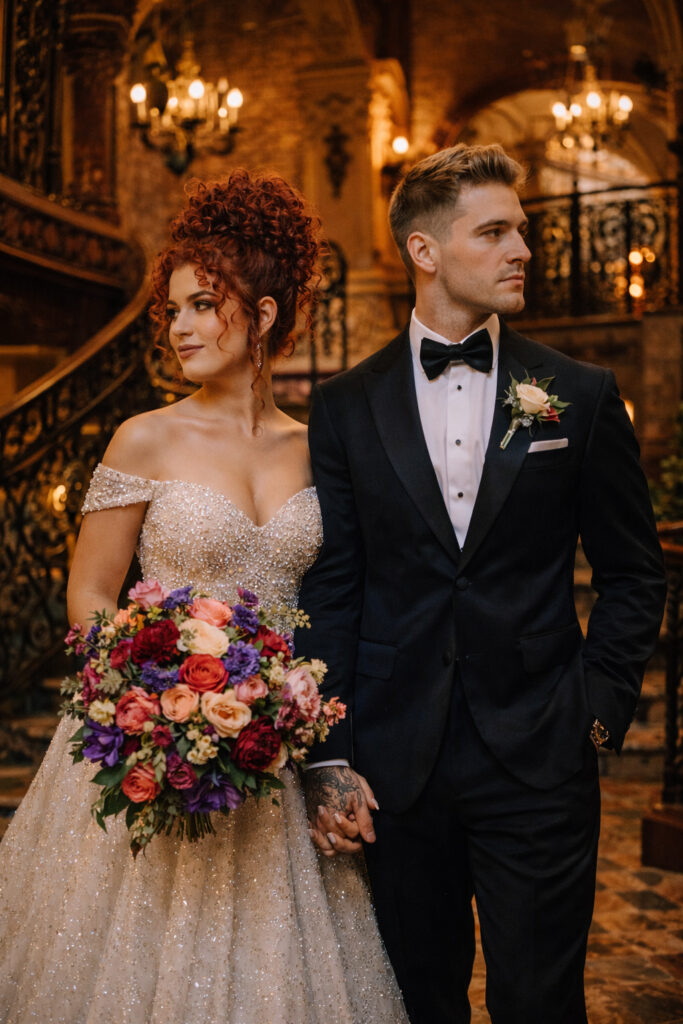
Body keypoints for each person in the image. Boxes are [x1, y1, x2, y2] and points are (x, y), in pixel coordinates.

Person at [0, 170, 407, 1024]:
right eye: (173, 309)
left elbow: (333, 600)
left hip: (275, 759)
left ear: (262, 315)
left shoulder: (316, 448)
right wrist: (142, 703)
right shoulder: (142, 435)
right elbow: (90, 589)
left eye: (202, 305)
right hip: (148, 738)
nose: (179, 327)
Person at [298, 143, 667, 1024]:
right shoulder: (346, 405)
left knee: (541, 1002)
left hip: (540, 756)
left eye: (524, 231)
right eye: (495, 231)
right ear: (424, 251)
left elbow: (631, 570)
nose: (523, 252)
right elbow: (334, 585)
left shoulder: (578, 395)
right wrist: (329, 753)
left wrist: (595, 708)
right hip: (394, 764)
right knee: (416, 1002)